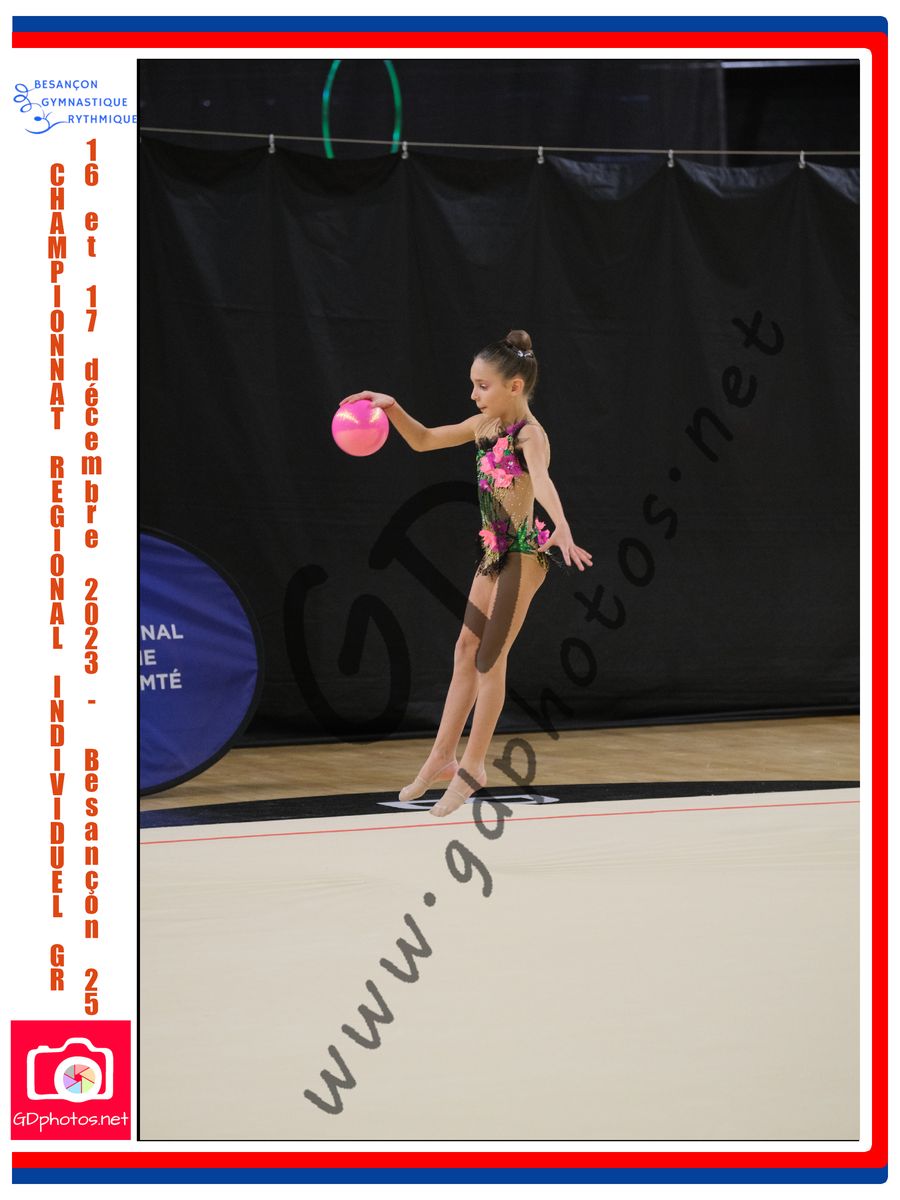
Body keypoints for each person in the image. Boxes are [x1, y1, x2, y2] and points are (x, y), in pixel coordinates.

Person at [338, 329, 592, 817]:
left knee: (489, 662)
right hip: (494, 553)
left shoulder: (530, 435)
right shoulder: (483, 426)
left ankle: (474, 766)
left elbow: (541, 481)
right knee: (465, 650)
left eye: (482, 386)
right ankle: (442, 755)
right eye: (473, 384)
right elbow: (423, 440)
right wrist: (392, 408)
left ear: (514, 386)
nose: (473, 394)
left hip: (524, 554)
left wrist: (561, 525)